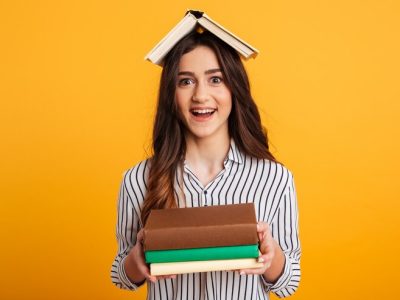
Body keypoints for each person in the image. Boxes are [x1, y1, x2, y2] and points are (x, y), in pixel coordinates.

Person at [110, 29, 301, 299]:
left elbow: (289, 282)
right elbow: (122, 276)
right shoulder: (138, 180)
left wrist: (272, 254)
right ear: (170, 94)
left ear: (235, 88)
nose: (200, 95)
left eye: (215, 79)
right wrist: (137, 260)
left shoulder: (274, 179)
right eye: (186, 82)